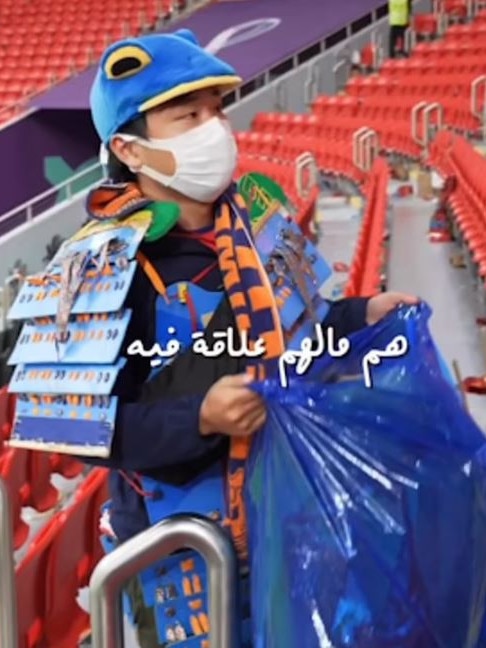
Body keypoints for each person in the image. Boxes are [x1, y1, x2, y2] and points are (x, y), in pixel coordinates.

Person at [7, 29, 417, 647]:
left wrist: (362, 315)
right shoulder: (95, 266)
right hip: (179, 552)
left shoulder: (257, 221)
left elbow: (305, 324)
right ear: (130, 148)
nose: (214, 127)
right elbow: (84, 434)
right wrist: (200, 415)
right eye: (187, 115)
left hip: (285, 516)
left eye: (217, 109)